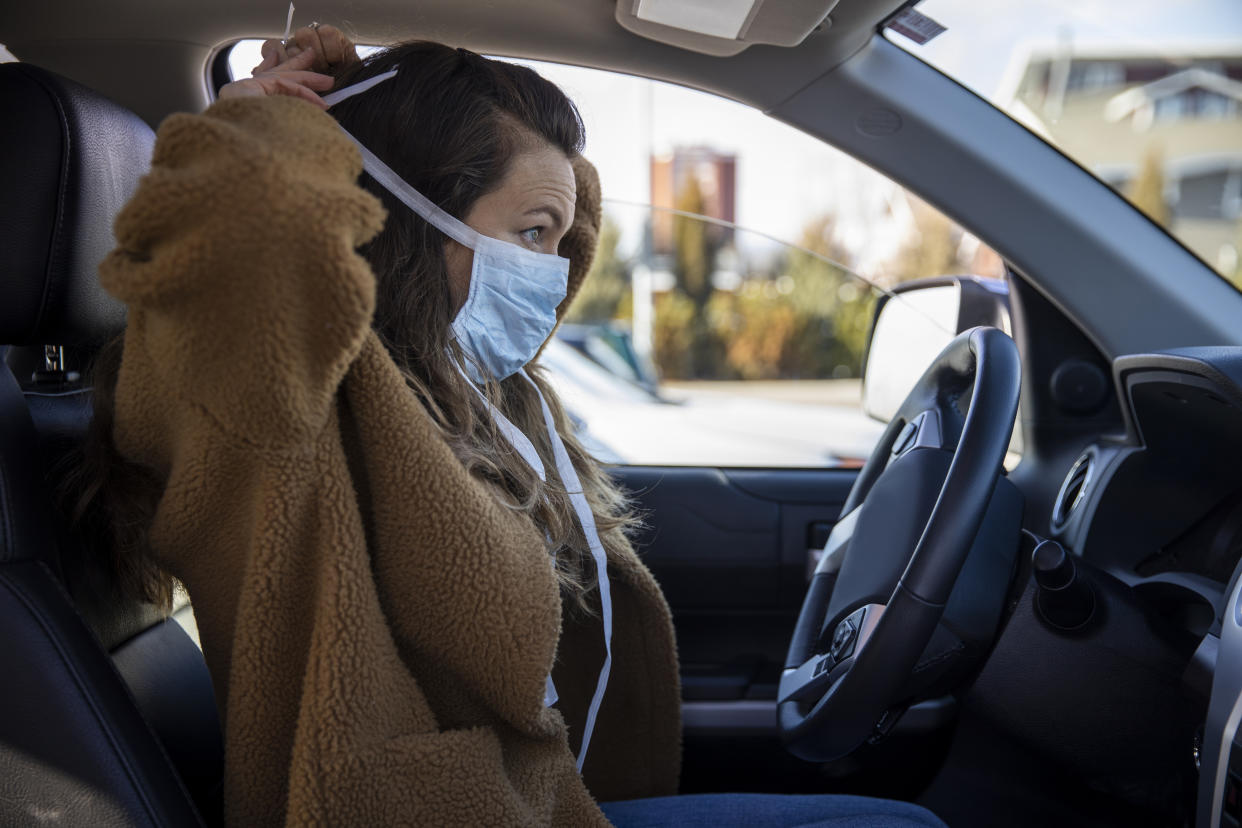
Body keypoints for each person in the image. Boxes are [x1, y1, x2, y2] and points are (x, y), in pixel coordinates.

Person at [86, 24, 947, 828]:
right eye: (531, 234)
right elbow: (225, 301)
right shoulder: (273, 407)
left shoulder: (466, 396)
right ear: (399, 218)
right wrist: (256, 147)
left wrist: (555, 195)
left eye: (561, 239)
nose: (551, 272)